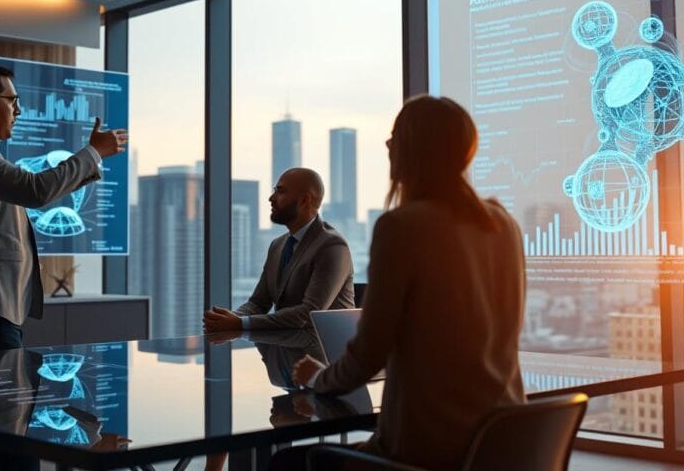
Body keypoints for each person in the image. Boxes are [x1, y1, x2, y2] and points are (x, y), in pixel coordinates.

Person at [282, 95, 527, 470]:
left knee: (287, 463)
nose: (387, 144)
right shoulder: (501, 223)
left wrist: (317, 376)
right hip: (500, 444)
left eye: (395, 135)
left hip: (426, 454)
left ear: (413, 149)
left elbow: (368, 356)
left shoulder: (402, 227)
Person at [0, 62, 127, 471]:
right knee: (4, 431)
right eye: (12, 100)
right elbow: (35, 190)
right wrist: (92, 153)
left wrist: (89, 161)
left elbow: (29, 191)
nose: (19, 109)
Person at [203, 167, 354, 332]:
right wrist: (230, 320)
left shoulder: (332, 247)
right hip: (285, 350)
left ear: (304, 201)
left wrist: (240, 323)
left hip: (324, 353)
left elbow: (308, 314)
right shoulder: (278, 245)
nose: (271, 198)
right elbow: (258, 303)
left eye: (280, 192)